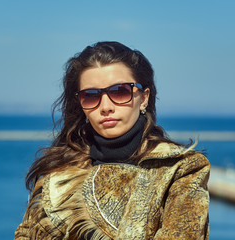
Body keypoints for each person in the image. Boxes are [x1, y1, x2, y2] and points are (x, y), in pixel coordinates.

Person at [14, 41, 210, 239]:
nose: (105, 106)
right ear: (81, 104)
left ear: (143, 98)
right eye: (90, 96)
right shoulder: (57, 174)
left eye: (120, 92)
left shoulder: (179, 169)